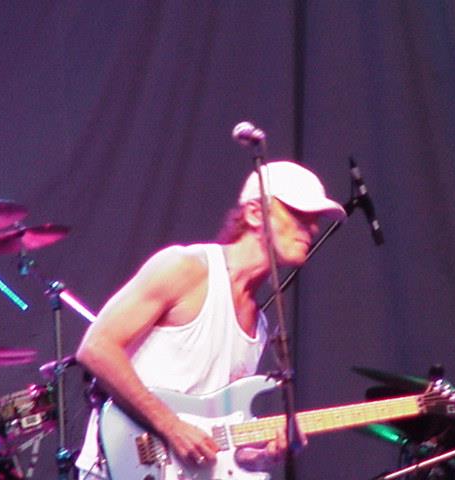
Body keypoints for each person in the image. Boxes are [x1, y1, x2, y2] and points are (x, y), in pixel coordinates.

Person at [74, 159, 346, 478]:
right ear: (254, 213)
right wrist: (170, 425)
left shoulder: (258, 325)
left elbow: (221, 437)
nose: (312, 229)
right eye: (300, 215)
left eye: (315, 220)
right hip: (119, 466)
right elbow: (95, 348)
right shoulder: (186, 268)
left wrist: (262, 457)